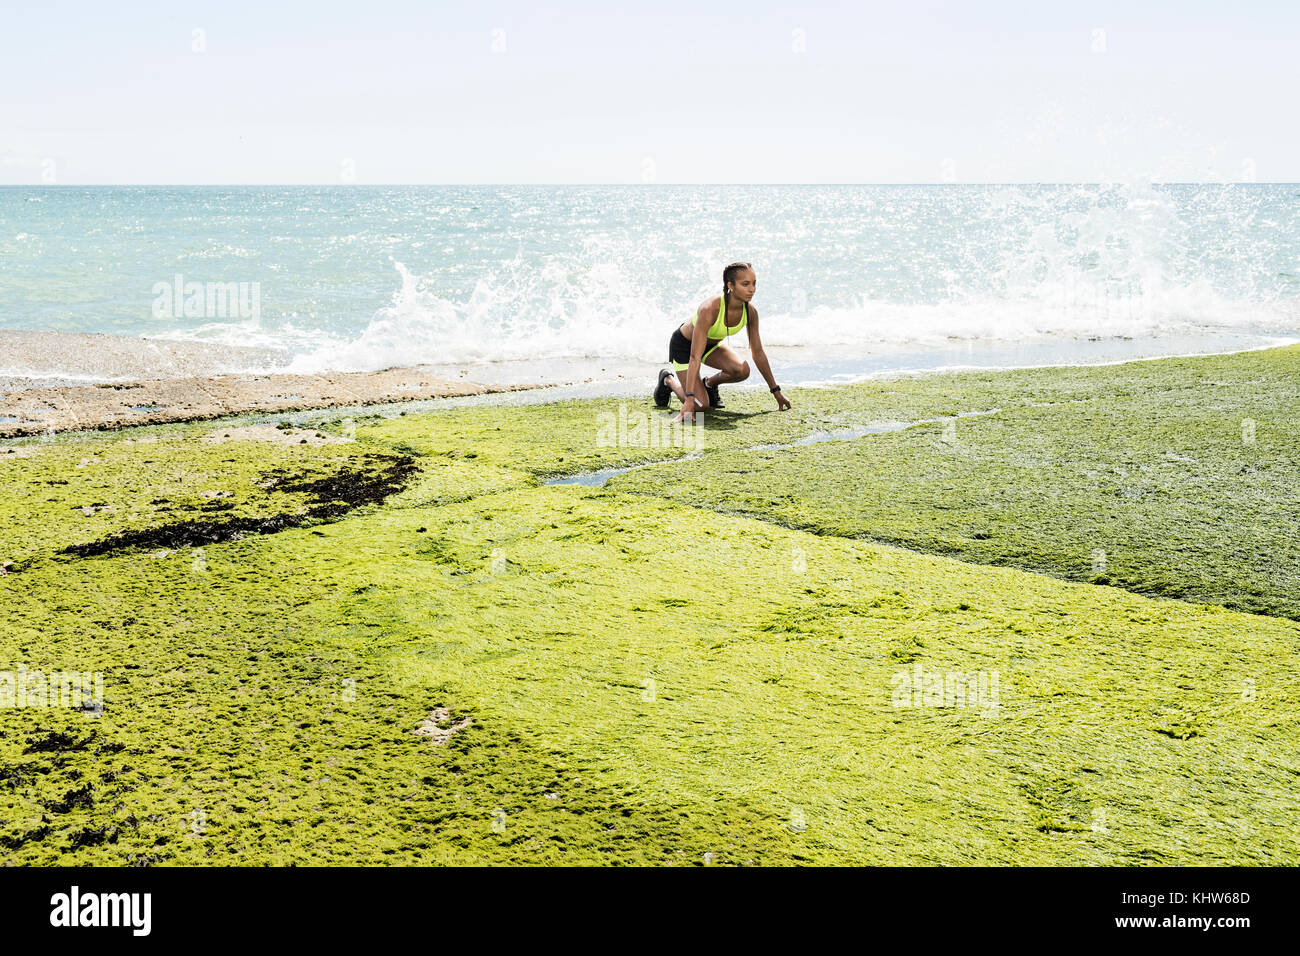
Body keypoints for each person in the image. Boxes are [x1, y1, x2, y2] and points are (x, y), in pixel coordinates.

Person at [653, 262, 792, 422]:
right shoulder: (709, 309)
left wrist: (776, 391)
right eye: (745, 284)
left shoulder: (750, 312)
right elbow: (694, 357)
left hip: (711, 346)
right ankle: (668, 380)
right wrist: (689, 398)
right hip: (685, 347)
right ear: (730, 285)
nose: (752, 289)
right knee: (700, 406)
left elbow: (758, 353)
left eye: (754, 283)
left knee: (742, 370)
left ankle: (709, 384)